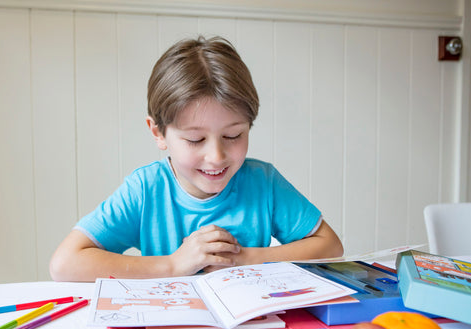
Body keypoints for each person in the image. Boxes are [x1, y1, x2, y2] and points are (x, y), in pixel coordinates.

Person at [50, 36, 343, 282]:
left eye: (233, 136)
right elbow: (64, 264)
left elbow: (331, 246)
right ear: (158, 132)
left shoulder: (263, 182)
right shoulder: (146, 189)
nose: (216, 157)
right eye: (195, 139)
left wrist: (247, 258)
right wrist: (173, 265)